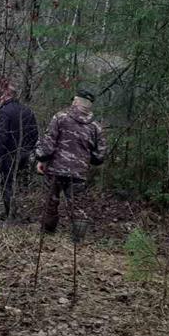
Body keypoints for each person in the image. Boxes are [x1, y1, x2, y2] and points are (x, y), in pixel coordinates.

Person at [35, 88, 107, 235]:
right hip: (79, 173)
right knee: (78, 207)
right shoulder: (96, 127)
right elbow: (100, 156)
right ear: (89, 105)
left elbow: (47, 147)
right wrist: (83, 158)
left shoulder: (60, 118)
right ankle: (78, 240)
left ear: (75, 101)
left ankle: (47, 235)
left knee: (50, 203)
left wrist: (39, 158)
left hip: (55, 170)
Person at [0, 83, 39, 220]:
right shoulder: (28, 111)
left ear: (6, 96)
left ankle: (9, 215)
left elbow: (1, 136)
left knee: (6, 184)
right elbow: (35, 134)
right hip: (23, 154)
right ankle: (15, 212)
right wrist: (26, 150)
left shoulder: (5, 112)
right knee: (16, 183)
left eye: (0, 95)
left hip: (8, 154)